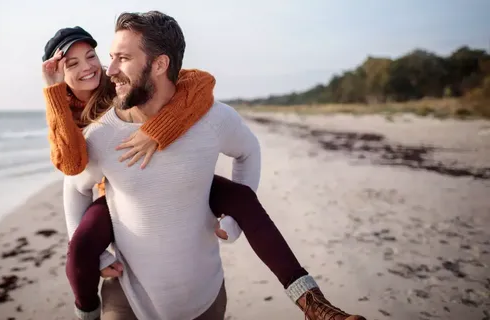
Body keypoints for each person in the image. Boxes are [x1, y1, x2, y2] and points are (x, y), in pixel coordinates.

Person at [42, 16, 366, 320]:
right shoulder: (96, 132)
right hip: (124, 269)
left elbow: (205, 90)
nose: (104, 69)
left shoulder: (204, 113)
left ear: (159, 64)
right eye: (75, 63)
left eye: (117, 58)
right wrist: (55, 94)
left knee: (240, 198)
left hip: (204, 295)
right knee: (80, 250)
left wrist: (159, 128)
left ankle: (312, 302)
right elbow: (72, 176)